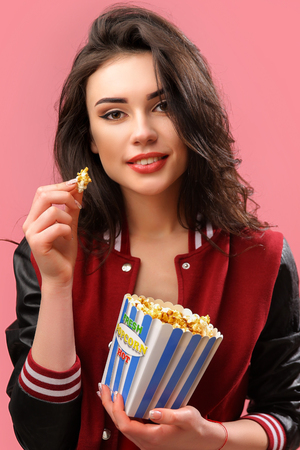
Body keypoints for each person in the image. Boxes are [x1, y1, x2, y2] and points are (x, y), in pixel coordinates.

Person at [6, 5, 300, 450]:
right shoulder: (49, 252)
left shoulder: (262, 258)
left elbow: (289, 415)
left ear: (192, 114)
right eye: (114, 114)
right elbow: (41, 437)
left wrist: (213, 438)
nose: (142, 132)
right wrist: (58, 284)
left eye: (162, 105)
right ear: (90, 137)